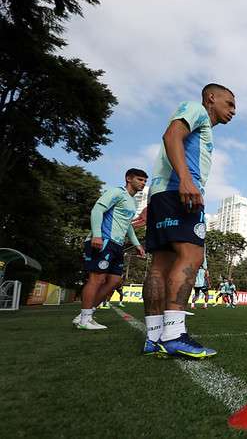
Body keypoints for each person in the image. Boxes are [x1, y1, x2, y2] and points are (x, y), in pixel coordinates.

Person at [137, 83, 236, 358]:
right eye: (229, 103)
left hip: (162, 195)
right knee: (192, 255)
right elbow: (171, 136)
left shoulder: (201, 126)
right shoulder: (196, 110)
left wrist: (152, 202)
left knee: (159, 265)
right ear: (210, 98)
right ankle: (174, 334)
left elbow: (165, 152)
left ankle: (154, 337)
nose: (233, 111)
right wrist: (185, 179)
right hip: (179, 194)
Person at [74, 168, 147, 330]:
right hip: (104, 240)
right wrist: (97, 235)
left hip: (117, 245)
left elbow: (127, 225)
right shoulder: (116, 192)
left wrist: (137, 244)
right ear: (129, 179)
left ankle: (86, 314)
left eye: (144, 181)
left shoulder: (132, 202)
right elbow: (97, 209)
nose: (143, 183)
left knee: (114, 281)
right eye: (140, 179)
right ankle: (84, 320)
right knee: (97, 279)